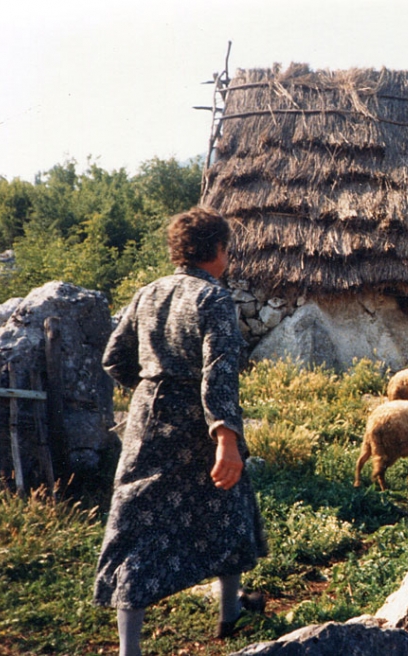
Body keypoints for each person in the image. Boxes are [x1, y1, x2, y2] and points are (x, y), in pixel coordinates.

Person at [93, 206, 267, 655]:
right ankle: (229, 614)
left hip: (148, 418)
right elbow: (220, 371)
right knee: (227, 501)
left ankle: (133, 647)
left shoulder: (148, 293)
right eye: (227, 248)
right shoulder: (214, 299)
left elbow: (114, 357)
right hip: (200, 423)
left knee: (135, 521)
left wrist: (149, 388)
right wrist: (226, 438)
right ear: (218, 250)